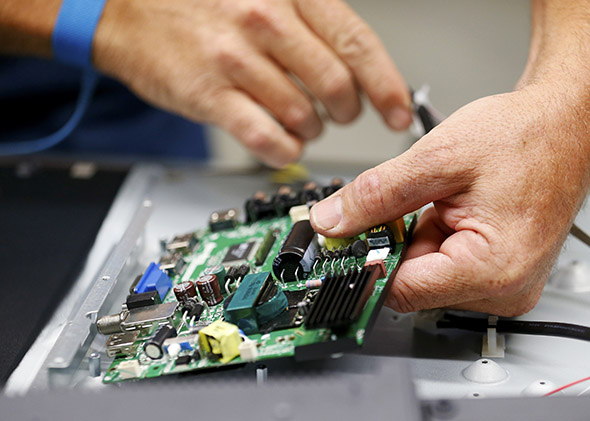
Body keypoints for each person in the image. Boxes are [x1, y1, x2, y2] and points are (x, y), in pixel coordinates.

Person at [2, 0, 589, 316]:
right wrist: (91, 14)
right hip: (48, 88)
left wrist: (567, 105)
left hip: (132, 107)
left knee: (166, 209)